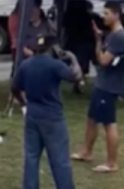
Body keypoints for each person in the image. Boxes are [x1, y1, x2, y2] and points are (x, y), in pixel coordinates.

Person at [12, 34, 82, 189]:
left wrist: (24, 103)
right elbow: (76, 76)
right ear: (54, 47)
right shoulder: (55, 65)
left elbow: (15, 88)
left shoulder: (26, 64)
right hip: (53, 117)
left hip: (32, 114)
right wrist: (73, 58)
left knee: (31, 157)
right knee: (60, 160)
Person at [72, 2, 124, 173]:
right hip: (102, 82)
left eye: (106, 13)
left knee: (109, 123)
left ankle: (112, 163)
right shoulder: (110, 35)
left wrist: (98, 44)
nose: (103, 17)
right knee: (91, 119)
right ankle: (86, 152)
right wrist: (99, 39)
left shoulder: (120, 36)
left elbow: (103, 60)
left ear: (116, 15)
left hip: (110, 86)